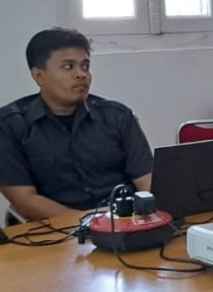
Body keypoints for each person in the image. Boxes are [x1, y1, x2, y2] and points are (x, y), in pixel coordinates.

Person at [0, 27, 154, 221]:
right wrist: (89, 222)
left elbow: (147, 181)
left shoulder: (118, 116)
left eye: (85, 66)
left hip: (127, 220)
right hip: (58, 229)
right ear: (39, 76)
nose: (81, 74)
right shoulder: (10, 126)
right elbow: (25, 200)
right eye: (68, 67)